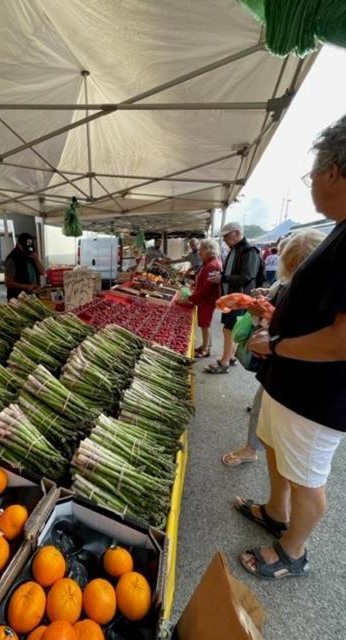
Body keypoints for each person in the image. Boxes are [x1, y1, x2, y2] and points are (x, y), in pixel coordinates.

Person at [236, 114, 346, 581]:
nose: (312, 185)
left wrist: (277, 344)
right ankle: (275, 512)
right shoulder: (340, 229)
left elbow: (342, 338)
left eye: (312, 174)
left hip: (317, 397)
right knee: (278, 449)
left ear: (333, 172)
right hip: (291, 388)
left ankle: (292, 552)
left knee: (308, 477)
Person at [221, 229, 325, 467]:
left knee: (301, 468)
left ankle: (251, 450)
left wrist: (267, 331)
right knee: (267, 419)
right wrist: (266, 304)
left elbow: (295, 330)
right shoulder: (300, 286)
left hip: (294, 376)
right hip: (286, 372)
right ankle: (275, 501)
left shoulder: (314, 293)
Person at [205, 222, 261, 373]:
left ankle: (224, 364)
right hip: (232, 298)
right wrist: (222, 276)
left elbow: (246, 276)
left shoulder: (249, 251)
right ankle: (230, 357)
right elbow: (233, 272)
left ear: (236, 233)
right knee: (231, 329)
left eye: (226, 236)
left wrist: (223, 279)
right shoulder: (235, 250)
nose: (224, 240)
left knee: (229, 330)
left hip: (240, 299)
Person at [178, 239, 221, 357]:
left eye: (201, 249)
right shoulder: (209, 263)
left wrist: (190, 299)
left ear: (209, 250)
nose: (199, 252)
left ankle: (205, 350)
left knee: (205, 324)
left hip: (207, 300)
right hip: (205, 299)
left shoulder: (212, 265)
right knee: (205, 324)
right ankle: (205, 346)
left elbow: (206, 289)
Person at [4, 233, 45, 301]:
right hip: (17, 298)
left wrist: (36, 259)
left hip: (32, 297)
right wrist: (26, 287)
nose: (28, 250)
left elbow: (42, 272)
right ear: (19, 244)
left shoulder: (30, 254)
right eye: (25, 247)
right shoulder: (12, 259)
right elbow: (8, 282)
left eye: (29, 247)